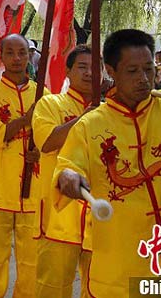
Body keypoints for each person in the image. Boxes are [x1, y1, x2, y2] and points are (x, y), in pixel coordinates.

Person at [55, 29, 161, 296]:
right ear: (111, 70)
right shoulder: (91, 124)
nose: (144, 79)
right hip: (119, 251)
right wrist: (68, 177)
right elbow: (69, 164)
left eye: (148, 69)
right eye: (133, 71)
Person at [0, 34, 39, 298]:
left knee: (31, 261)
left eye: (22, 53)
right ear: (1, 56)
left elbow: (51, 140)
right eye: (11, 53)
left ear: (29, 56)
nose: (17, 59)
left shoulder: (42, 93)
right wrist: (26, 120)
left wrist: (40, 153)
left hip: (34, 191)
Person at [32, 45, 95, 298]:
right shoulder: (50, 104)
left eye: (95, 68)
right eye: (82, 67)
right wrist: (86, 118)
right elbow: (46, 141)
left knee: (99, 289)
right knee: (52, 288)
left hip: (99, 218)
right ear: (68, 71)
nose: (90, 73)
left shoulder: (112, 111)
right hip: (59, 217)